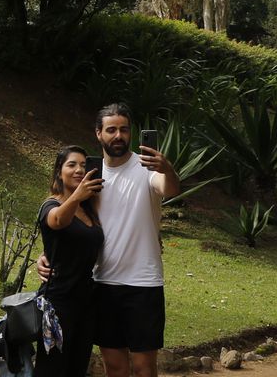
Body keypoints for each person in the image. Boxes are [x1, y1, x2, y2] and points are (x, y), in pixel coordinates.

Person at [40, 104, 180, 377]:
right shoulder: (90, 176)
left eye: (124, 130)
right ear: (98, 133)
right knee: (114, 368)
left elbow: (170, 189)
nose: (118, 136)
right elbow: (72, 223)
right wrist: (48, 254)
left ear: (131, 133)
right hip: (102, 284)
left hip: (143, 283)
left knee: (144, 368)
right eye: (111, 129)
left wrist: (168, 169)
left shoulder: (147, 167)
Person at [35, 146, 105, 377]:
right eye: (71, 165)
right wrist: (77, 195)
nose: (79, 170)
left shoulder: (89, 208)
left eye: (84, 165)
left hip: (86, 301)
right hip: (58, 302)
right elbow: (57, 222)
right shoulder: (51, 205)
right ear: (59, 172)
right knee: (52, 369)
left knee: (78, 367)